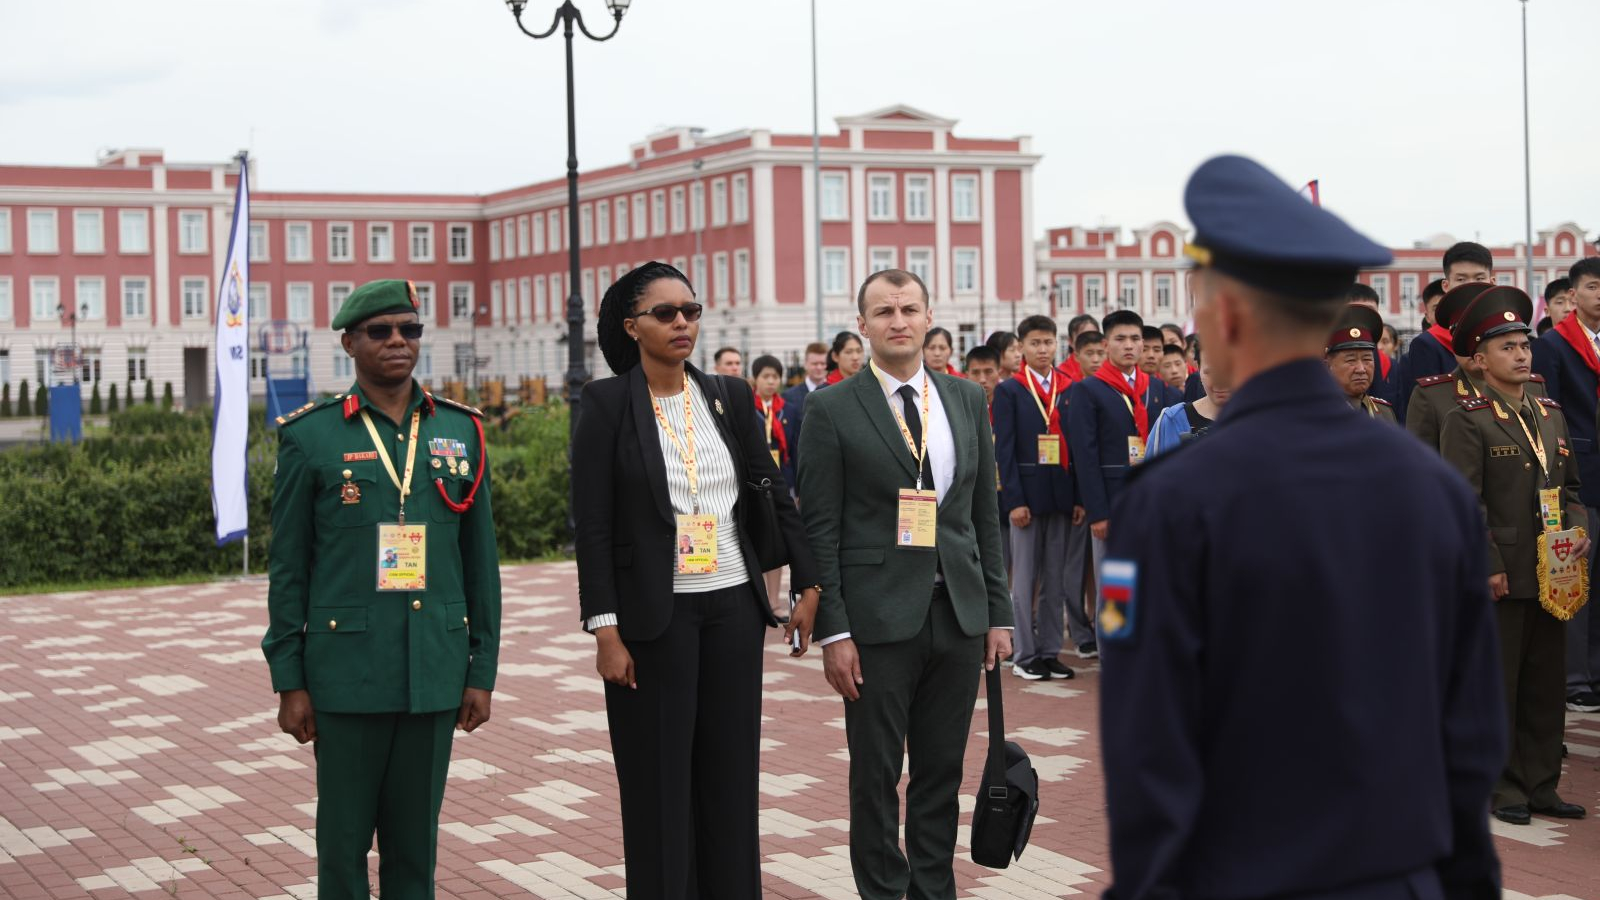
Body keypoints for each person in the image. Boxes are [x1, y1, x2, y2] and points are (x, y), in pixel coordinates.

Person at [1100, 154, 1506, 900]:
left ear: (1223, 316)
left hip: (1239, 878)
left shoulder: (1169, 503)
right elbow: (1472, 731)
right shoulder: (1434, 490)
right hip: (1403, 878)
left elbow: (1148, 747)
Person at [571, 262, 821, 899]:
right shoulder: (605, 404)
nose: (682, 322)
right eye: (665, 313)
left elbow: (771, 493)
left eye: (691, 310)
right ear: (633, 327)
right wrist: (605, 628)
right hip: (655, 618)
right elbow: (593, 525)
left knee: (730, 776)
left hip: (734, 607)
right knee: (659, 783)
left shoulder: (728, 397)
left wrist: (808, 583)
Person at [262, 278, 502, 900]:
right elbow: (289, 569)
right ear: (349, 342)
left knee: (415, 846)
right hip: (346, 677)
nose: (398, 341)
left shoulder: (461, 431)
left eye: (410, 330)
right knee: (341, 848)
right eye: (381, 331)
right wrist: (290, 681)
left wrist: (481, 669)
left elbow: (481, 565)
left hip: (434, 671)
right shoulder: (310, 437)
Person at [797, 268, 1012, 900]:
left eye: (909, 309)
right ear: (861, 325)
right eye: (884, 311)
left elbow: (981, 517)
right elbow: (821, 529)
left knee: (942, 772)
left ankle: (933, 888)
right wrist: (835, 628)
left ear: (928, 317)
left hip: (957, 615)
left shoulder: (966, 399)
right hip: (876, 622)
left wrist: (997, 610)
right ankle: (883, 891)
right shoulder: (830, 408)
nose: (899, 321)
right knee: (876, 775)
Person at [1439, 285, 1589, 825]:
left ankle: (1543, 784)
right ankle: (1504, 790)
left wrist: (1576, 532)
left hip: (1556, 569)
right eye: (1506, 346)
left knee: (1547, 686)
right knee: (1501, 685)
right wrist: (1489, 566)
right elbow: (1464, 501)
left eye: (1523, 343)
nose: (1521, 354)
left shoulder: (1549, 413)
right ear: (1480, 361)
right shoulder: (1469, 419)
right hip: (1502, 571)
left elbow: (1569, 489)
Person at [993, 315, 1087, 678]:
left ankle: (1049, 649)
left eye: (1048, 343)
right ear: (1022, 348)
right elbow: (1005, 451)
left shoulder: (1070, 387)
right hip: (1026, 499)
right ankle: (1024, 655)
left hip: (1062, 494)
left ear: (1057, 345)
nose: (1043, 349)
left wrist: (1078, 497)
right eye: (1034, 343)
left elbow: (1078, 446)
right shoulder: (1010, 390)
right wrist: (1014, 500)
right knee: (1025, 577)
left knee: (1055, 578)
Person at [1532, 256, 1600, 713]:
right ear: (1574, 295)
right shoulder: (1554, 344)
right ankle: (1576, 676)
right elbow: (1547, 410)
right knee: (1578, 572)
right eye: (1595, 287)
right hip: (1582, 474)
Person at [1067, 309, 1176, 580]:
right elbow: (1085, 455)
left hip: (1152, 500)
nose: (1129, 345)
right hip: (1112, 502)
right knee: (1114, 586)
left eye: (1135, 338)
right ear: (1105, 345)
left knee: (1152, 580)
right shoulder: (1088, 390)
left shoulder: (1156, 389)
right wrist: (1098, 512)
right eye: (1120, 339)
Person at [1404, 283, 1509, 450]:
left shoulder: (1530, 388)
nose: (1472, 346)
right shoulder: (1430, 397)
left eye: (1482, 336)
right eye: (1462, 337)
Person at [1400, 245, 1495, 417]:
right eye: (1461, 279)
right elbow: (1424, 409)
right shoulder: (1428, 343)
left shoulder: (1503, 332)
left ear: (1492, 282)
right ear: (1446, 285)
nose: (1470, 287)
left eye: (1479, 278)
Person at [751, 354, 797, 619]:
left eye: (775, 377)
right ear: (755, 379)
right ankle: (757, 599)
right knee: (757, 541)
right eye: (765, 377)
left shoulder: (787, 409)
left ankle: (774, 601)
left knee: (777, 542)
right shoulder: (748, 408)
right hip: (756, 485)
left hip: (782, 484)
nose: (771, 382)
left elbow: (796, 448)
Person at [1326, 304, 1397, 423]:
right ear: (1328, 364)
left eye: (1367, 359)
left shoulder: (1384, 412)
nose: (1361, 369)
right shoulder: (1315, 414)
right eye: (1351, 360)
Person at [1147, 357, 1229, 455]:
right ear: (1199, 369)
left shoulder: (1251, 421)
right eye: (1210, 372)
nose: (1219, 382)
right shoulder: (1171, 420)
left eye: (1229, 371)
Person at [779, 341, 830, 478]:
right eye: (814, 364)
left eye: (822, 363)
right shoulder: (789, 396)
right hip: (800, 467)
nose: (819, 368)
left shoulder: (836, 391)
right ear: (806, 364)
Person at [1347, 282, 1400, 407]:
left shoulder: (1391, 365)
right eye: (1357, 311)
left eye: (1370, 311)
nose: (1363, 318)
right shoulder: (1325, 360)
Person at [1057, 314, 1100, 383]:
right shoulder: (1060, 375)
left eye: (1094, 336)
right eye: (1083, 337)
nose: (1089, 342)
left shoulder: (1109, 371)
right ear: (1070, 342)